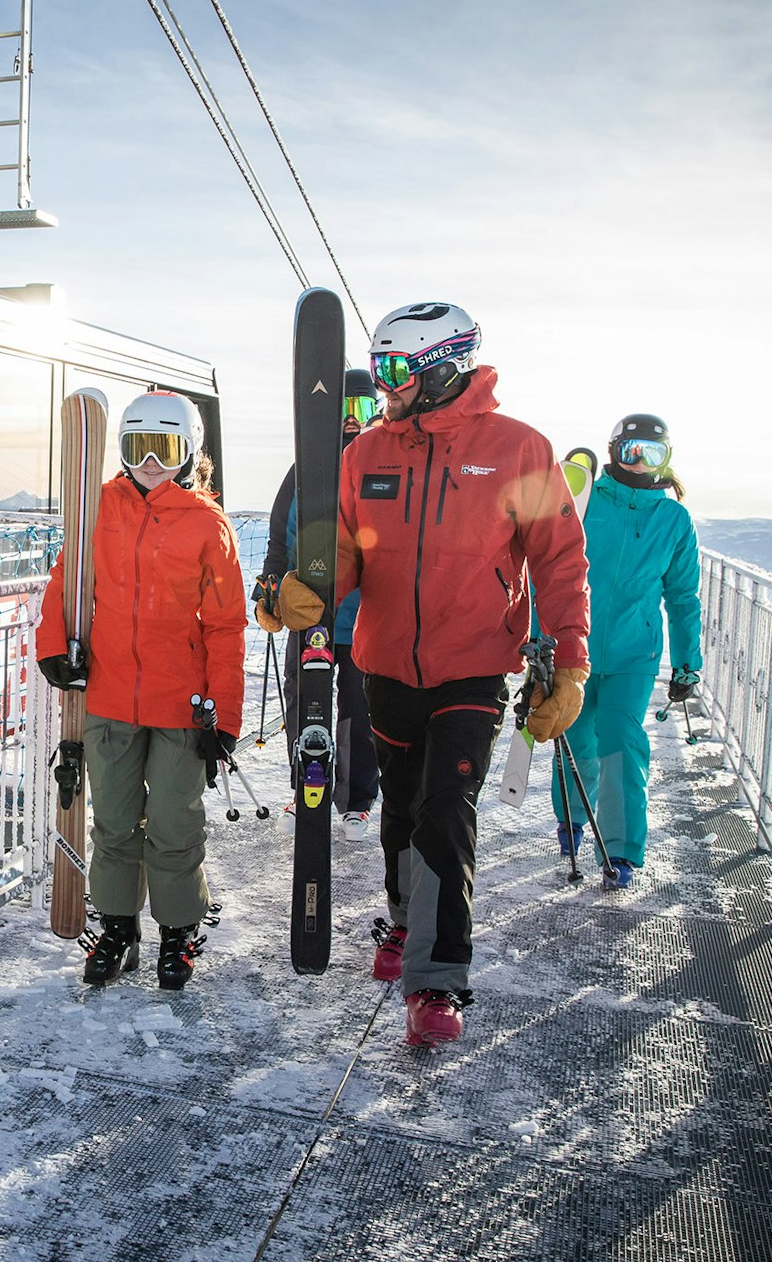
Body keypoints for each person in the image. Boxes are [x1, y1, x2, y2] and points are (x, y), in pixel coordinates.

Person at [274, 302, 590, 1046]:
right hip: (387, 665)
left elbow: (560, 559)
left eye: (392, 373)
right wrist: (311, 590)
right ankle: (408, 918)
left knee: (447, 810)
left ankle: (438, 979)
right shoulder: (367, 454)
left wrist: (569, 659)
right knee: (404, 812)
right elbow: (348, 547)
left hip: (475, 666)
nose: (382, 389)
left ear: (440, 370)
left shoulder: (519, 450)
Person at [35, 390, 246, 991]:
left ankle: (178, 932)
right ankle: (119, 927)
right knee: (115, 823)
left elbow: (227, 626)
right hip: (109, 698)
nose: (151, 460)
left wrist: (223, 715)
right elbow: (66, 582)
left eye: (166, 447)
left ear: (189, 453)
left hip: (181, 705)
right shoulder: (98, 508)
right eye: (138, 447)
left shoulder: (208, 524)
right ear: (122, 451)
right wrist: (56, 644)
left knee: (175, 825)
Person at [551, 414, 702, 890]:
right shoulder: (585, 499)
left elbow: (682, 597)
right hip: (574, 645)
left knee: (621, 739)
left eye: (652, 455)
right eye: (630, 452)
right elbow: (548, 570)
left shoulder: (673, 520)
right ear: (613, 451)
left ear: (667, 460)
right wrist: (539, 638)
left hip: (634, 654)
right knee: (577, 738)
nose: (639, 464)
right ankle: (572, 819)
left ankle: (619, 849)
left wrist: (687, 664)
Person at [253, 368, 381, 836]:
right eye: (342, 409)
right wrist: (271, 585)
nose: (351, 420)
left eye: (363, 409)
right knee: (306, 701)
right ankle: (305, 788)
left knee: (357, 706)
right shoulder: (303, 467)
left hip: (364, 615)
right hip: (308, 611)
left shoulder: (381, 465)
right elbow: (277, 537)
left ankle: (355, 799)